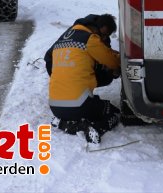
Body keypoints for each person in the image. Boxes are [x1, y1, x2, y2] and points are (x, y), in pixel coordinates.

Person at [44, 13, 121, 143]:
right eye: (104, 35)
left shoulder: (62, 40)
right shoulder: (90, 39)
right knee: (114, 112)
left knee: (92, 100)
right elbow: (112, 62)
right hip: (79, 105)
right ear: (99, 28)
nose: (103, 39)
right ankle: (95, 128)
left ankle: (64, 123)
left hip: (55, 106)